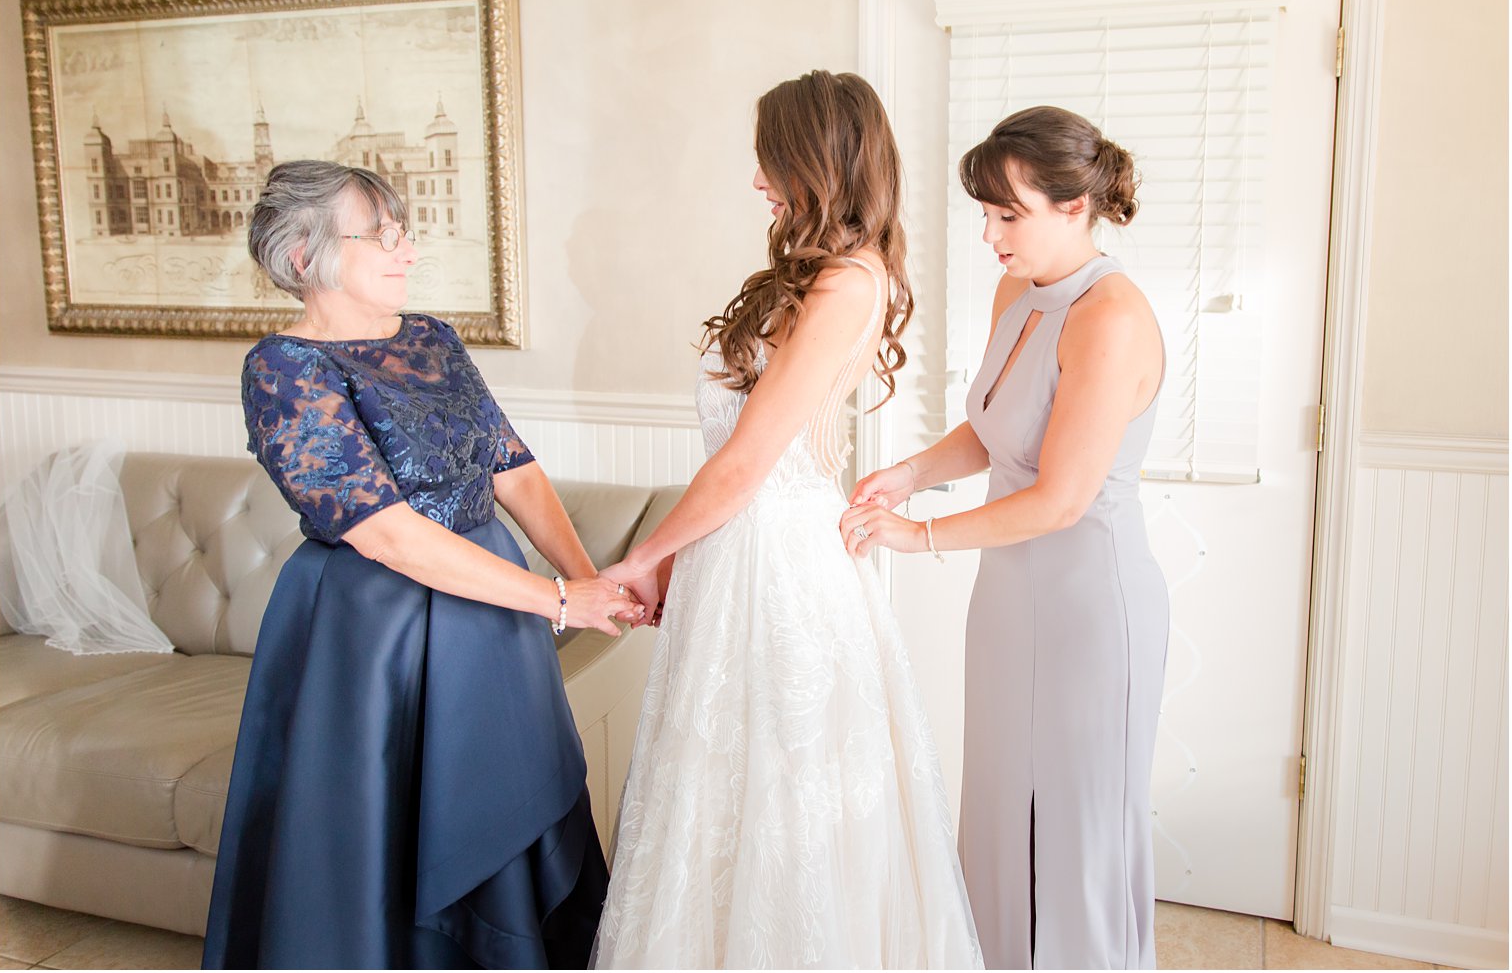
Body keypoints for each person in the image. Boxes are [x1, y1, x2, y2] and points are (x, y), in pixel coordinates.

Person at [203, 160, 641, 969]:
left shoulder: (433, 338)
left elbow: (512, 468)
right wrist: (555, 598)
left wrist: (591, 582)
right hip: (374, 635)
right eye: (381, 234)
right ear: (304, 259)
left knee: (514, 808)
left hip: (495, 618)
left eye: (403, 230)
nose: (406, 248)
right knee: (383, 840)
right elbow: (385, 533)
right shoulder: (282, 369)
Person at [590, 71, 981, 969]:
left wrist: (644, 557)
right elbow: (740, 464)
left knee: (785, 793)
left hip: (779, 560)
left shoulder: (849, 282)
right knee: (723, 793)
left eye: (768, 159)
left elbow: (745, 464)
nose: (757, 179)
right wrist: (682, 558)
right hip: (742, 549)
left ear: (814, 160)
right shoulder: (806, 277)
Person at [841, 105, 1169, 969]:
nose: (988, 233)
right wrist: (909, 471)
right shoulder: (1013, 292)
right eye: (984, 213)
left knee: (1075, 829)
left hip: (1090, 612)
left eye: (1007, 214)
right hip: (1007, 603)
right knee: (998, 812)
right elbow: (992, 430)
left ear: (1075, 206)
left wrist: (919, 535)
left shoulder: (1113, 318)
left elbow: (1060, 496)